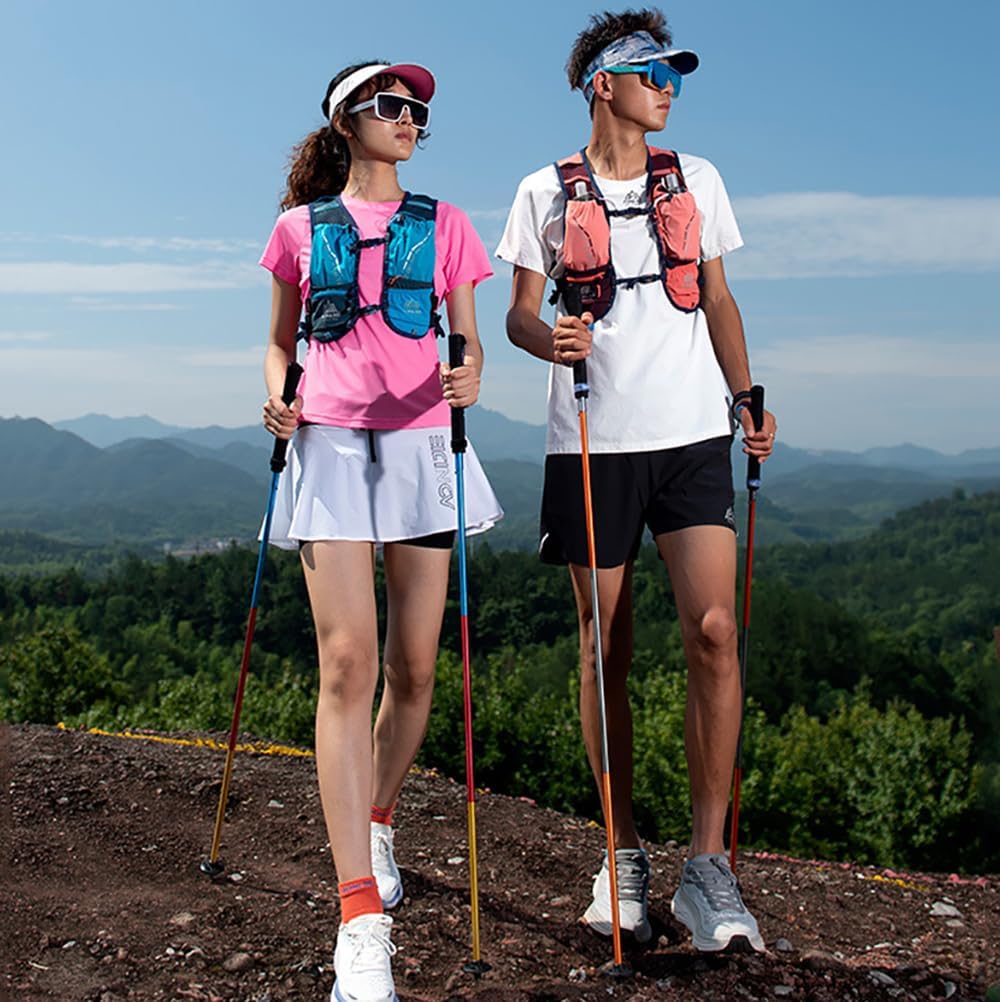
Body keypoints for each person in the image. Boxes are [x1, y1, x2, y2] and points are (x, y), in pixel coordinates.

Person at [496, 9, 776, 953]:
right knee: (602, 643)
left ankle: (708, 869)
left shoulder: (697, 178)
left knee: (715, 631)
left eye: (676, 74)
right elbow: (519, 318)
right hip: (591, 439)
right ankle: (619, 854)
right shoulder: (543, 187)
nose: (670, 86)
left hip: (695, 433)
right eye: (654, 70)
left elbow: (722, 297)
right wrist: (552, 337)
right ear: (601, 84)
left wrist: (748, 397)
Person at [259, 60, 502, 1001]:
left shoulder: (445, 224)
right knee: (347, 664)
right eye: (392, 106)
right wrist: (272, 390)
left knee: (414, 671)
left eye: (418, 110)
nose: (411, 119)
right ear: (348, 121)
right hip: (327, 449)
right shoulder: (296, 231)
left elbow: (469, 337)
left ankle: (381, 814)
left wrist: (473, 370)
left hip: (422, 454)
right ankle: (360, 915)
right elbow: (281, 339)